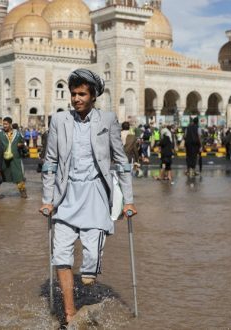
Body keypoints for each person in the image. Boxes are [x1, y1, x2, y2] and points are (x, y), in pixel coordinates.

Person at [39, 69, 136, 325]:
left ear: (93, 96)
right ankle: (70, 314)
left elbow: (121, 161)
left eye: (82, 94)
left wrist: (128, 200)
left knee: (90, 267)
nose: (76, 98)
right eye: (73, 94)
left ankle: (88, 291)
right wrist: (47, 200)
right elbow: (50, 161)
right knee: (61, 255)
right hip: (66, 195)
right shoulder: (60, 121)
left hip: (94, 193)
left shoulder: (107, 120)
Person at [0, 117, 28, 198]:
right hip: (4, 159)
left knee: (19, 176)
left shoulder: (18, 134)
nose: (4, 126)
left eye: (6, 124)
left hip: (15, 158)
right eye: (3, 124)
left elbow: (24, 143)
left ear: (10, 124)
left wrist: (21, 145)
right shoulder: (0, 135)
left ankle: (23, 192)